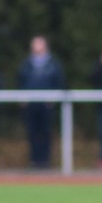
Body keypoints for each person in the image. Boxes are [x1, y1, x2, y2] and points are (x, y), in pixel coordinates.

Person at [17, 35, 65, 169]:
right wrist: (22, 96)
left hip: (46, 104)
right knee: (32, 132)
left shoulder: (53, 63)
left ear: (45, 46)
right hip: (31, 104)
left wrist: (54, 97)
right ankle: (34, 161)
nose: (36, 47)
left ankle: (45, 161)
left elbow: (59, 81)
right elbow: (20, 81)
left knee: (46, 132)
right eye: (34, 44)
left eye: (39, 44)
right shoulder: (26, 63)